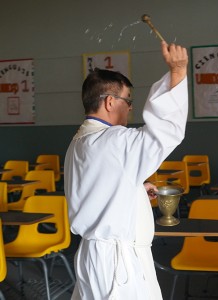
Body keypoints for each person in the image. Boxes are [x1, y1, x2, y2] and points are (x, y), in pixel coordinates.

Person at [64, 40, 188, 299]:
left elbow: (96, 186)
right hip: (116, 263)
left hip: (96, 256)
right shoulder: (113, 141)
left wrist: (133, 189)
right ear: (110, 102)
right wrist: (177, 72)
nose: (130, 108)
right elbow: (164, 133)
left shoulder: (81, 141)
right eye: (127, 101)